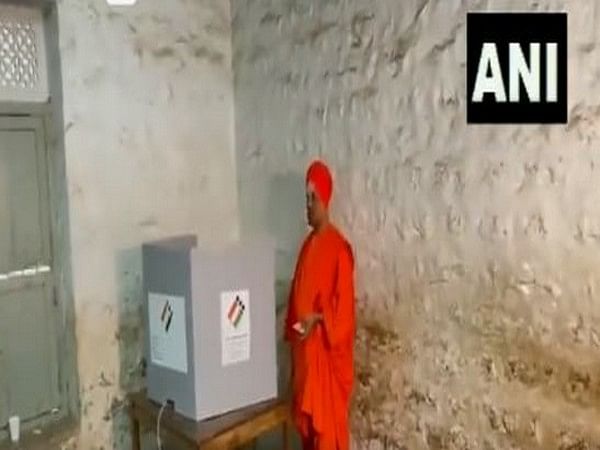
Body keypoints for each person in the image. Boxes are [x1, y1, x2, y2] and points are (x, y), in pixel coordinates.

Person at [284, 159, 356, 450]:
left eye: (313, 198)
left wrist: (318, 319)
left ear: (325, 198)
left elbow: (345, 314)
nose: (308, 204)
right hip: (306, 361)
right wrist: (296, 324)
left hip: (325, 364)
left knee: (326, 439)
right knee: (308, 440)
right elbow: (296, 296)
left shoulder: (339, 249)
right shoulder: (306, 246)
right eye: (306, 198)